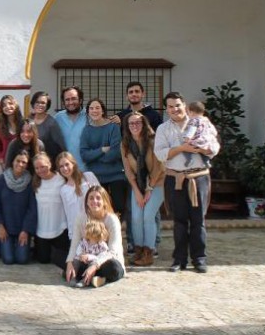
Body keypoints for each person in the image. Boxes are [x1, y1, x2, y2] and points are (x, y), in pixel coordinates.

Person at [154, 92, 219, 274]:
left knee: (198, 220)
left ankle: (199, 259)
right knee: (179, 221)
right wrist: (182, 148)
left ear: (185, 105)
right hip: (175, 179)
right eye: (170, 106)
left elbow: (215, 147)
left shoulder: (202, 123)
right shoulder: (163, 129)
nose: (175, 109)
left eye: (177, 105)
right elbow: (160, 153)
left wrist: (203, 148)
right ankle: (179, 259)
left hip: (199, 177)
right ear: (166, 109)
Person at [121, 112, 165, 267]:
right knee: (136, 218)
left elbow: (159, 167)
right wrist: (137, 191)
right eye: (131, 123)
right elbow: (128, 170)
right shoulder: (125, 143)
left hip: (158, 183)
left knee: (147, 216)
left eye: (138, 122)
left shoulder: (153, 141)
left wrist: (149, 188)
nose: (134, 126)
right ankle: (138, 250)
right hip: (138, 185)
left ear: (144, 124)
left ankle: (148, 252)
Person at [64, 185, 126, 288]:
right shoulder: (81, 218)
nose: (94, 201)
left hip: (107, 260)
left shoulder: (112, 220)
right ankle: (95, 278)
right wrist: (70, 262)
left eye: (98, 198)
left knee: (114, 269)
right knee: (69, 267)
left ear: (104, 201)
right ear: (87, 202)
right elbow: (75, 243)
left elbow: (113, 251)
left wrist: (95, 265)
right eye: (91, 198)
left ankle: (93, 276)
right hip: (88, 258)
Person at [80, 98, 127, 219]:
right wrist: (101, 150)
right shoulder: (86, 131)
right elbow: (84, 155)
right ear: (88, 112)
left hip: (115, 175)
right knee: (99, 210)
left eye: (97, 108)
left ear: (102, 111)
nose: (94, 111)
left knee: (119, 207)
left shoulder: (113, 128)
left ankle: (116, 235)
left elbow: (115, 153)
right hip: (96, 176)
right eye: (91, 108)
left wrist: (94, 157)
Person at [0, 150, 37, 265]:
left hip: (22, 229)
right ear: (12, 161)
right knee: (8, 259)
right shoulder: (1, 180)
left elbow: (32, 209)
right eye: (18, 161)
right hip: (5, 228)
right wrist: (0, 226)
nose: (20, 164)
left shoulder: (30, 182)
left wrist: (26, 231)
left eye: (24, 162)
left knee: (22, 259)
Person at [32, 153, 70, 268]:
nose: (40, 170)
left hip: (60, 228)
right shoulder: (35, 183)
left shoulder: (61, 179)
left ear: (49, 164)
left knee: (61, 259)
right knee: (43, 260)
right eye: (37, 168)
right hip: (42, 230)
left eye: (43, 166)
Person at [56, 152, 100, 241]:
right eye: (61, 166)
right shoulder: (63, 190)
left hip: (96, 228)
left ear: (73, 164)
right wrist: (71, 235)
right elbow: (69, 214)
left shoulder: (88, 176)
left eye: (67, 164)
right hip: (79, 234)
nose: (65, 168)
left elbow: (102, 199)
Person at [70, 220, 112, 288]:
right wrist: (81, 254)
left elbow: (101, 257)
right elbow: (79, 248)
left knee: (92, 264)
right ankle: (73, 277)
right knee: (75, 261)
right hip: (83, 259)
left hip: (94, 263)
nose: (91, 237)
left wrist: (89, 257)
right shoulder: (84, 242)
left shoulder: (102, 245)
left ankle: (85, 280)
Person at [54, 86, 88, 171]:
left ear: (80, 100)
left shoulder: (89, 115)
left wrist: (116, 118)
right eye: (67, 99)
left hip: (87, 169)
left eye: (74, 99)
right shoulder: (58, 118)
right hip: (65, 170)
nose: (70, 102)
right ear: (63, 102)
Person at [30, 92, 66, 163]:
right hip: (30, 163)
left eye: (43, 103)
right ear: (33, 103)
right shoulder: (28, 120)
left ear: (47, 105)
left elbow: (61, 147)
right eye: (37, 102)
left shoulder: (52, 123)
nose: (40, 105)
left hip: (46, 164)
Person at [0, 95, 22, 165]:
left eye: (10, 103)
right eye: (4, 105)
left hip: (21, 163)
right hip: (5, 163)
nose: (8, 107)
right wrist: (0, 158)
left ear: (15, 105)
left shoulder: (23, 124)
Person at [182, 101, 216, 168]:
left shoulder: (194, 120)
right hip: (207, 141)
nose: (188, 114)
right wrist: (212, 137)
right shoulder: (206, 120)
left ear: (191, 112)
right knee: (203, 153)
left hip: (197, 140)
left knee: (184, 148)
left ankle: (189, 159)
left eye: (188, 112)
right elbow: (213, 131)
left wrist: (187, 138)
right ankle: (206, 161)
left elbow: (191, 130)